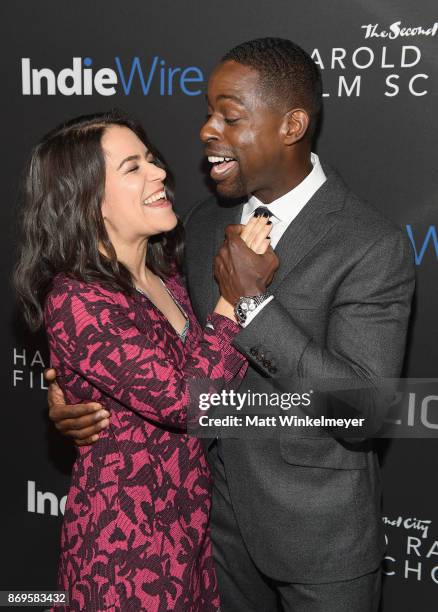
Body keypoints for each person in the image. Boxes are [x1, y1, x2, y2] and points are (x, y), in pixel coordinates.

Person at [47, 38, 415, 612]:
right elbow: (143, 342)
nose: (205, 131)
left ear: (291, 125)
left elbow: (362, 411)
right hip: (203, 536)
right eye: (207, 112)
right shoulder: (195, 225)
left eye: (229, 116)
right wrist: (73, 386)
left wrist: (252, 306)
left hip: (318, 545)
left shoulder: (370, 244)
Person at [14, 109, 277, 611]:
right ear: (88, 200)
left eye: (150, 159)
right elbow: (186, 403)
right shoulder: (77, 298)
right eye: (133, 167)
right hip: (126, 553)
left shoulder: (170, 279)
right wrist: (234, 297)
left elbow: (221, 376)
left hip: (191, 540)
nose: (159, 172)